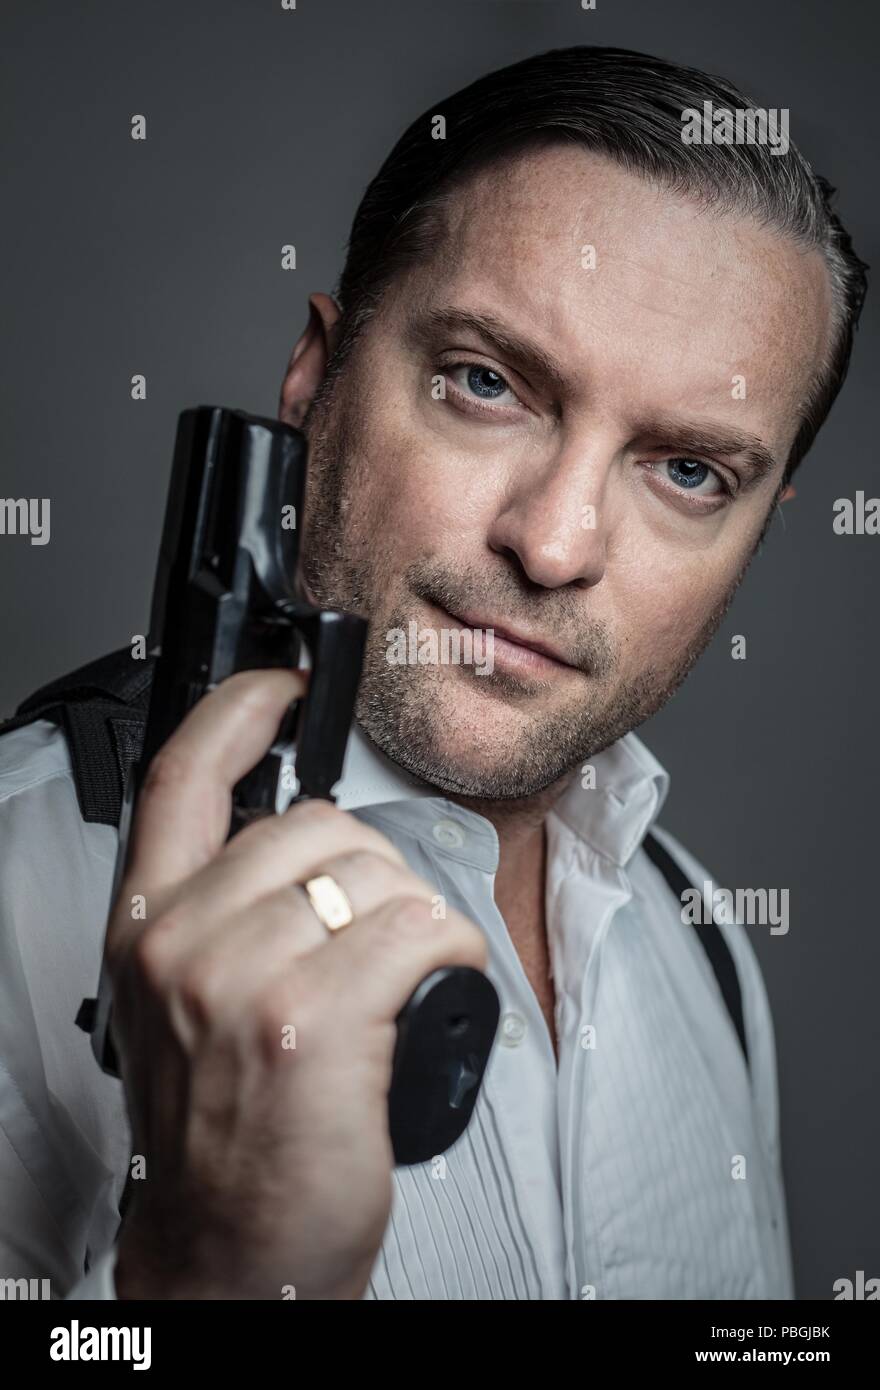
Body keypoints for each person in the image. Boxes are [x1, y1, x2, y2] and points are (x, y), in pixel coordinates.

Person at [0, 45, 867, 1301]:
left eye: (688, 471)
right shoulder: (21, 900)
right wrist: (206, 1274)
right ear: (316, 380)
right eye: (485, 384)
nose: (555, 542)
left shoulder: (706, 945)